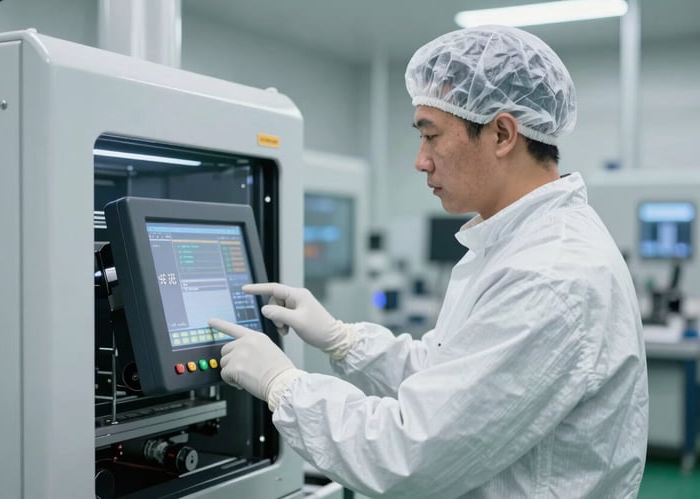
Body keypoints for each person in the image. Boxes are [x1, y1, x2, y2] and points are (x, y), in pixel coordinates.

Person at [210, 24, 648, 498]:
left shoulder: (549, 274)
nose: (421, 161)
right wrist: (343, 340)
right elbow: (448, 379)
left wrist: (283, 385)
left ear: (502, 133)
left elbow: (409, 454)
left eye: (431, 135)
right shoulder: (515, 246)